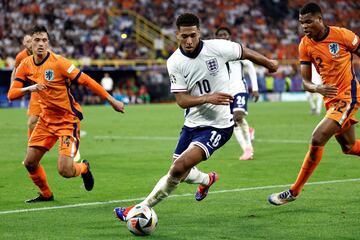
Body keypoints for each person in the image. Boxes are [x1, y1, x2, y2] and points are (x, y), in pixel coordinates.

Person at [114, 13, 277, 220]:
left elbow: (244, 52)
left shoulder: (217, 48)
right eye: (184, 37)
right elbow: (181, 100)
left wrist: (269, 63)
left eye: (192, 35)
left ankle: (139, 209)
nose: (189, 41)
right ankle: (207, 179)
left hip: (218, 126)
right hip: (191, 124)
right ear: (177, 35)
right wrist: (209, 98)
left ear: (199, 32)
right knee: (180, 173)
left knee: (178, 168)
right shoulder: (174, 61)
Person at [7, 25, 125, 203]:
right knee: (30, 163)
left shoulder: (59, 62)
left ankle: (84, 168)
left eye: (44, 40)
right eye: (37, 40)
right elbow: (11, 94)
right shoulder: (25, 64)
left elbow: (86, 81)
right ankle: (46, 194)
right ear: (30, 43)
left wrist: (111, 100)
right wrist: (30, 87)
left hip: (67, 121)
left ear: (48, 43)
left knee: (65, 171)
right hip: (46, 121)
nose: (40, 44)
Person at [268, 2, 360, 205]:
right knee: (349, 147)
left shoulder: (343, 35)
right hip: (330, 100)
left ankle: (294, 191)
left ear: (320, 19)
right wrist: (317, 88)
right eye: (302, 23)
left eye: (308, 21)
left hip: (349, 96)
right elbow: (306, 82)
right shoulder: (304, 44)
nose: (305, 26)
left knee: (317, 138)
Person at [215, 27, 258, 160]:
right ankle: (247, 145)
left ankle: (248, 148)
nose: (223, 37)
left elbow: (250, 66)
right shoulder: (213, 54)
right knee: (233, 121)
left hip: (239, 88)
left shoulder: (236, 50)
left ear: (229, 37)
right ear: (216, 38)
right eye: (220, 35)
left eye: (225, 34)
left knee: (237, 117)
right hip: (224, 92)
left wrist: (255, 88)